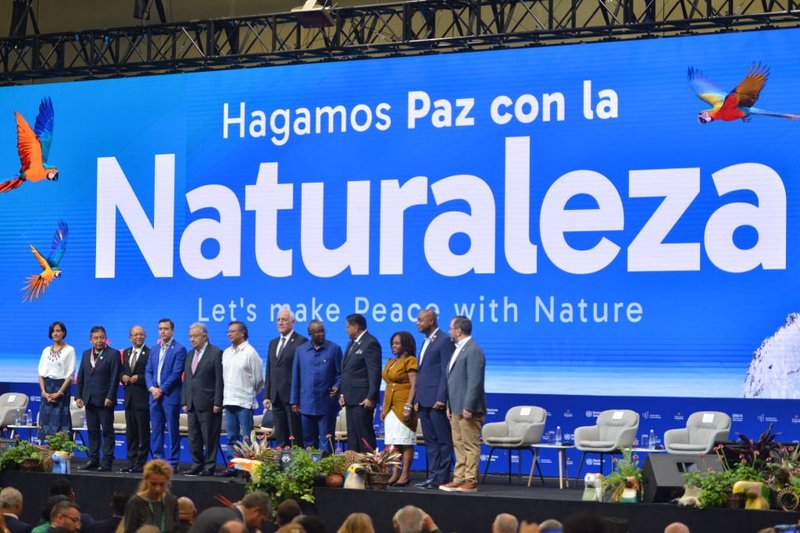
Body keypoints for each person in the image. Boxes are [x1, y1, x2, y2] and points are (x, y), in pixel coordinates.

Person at [439, 316, 486, 494]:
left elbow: (475, 381)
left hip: (468, 409)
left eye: (451, 328)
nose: (449, 331)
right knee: (458, 444)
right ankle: (459, 478)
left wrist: (469, 406)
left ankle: (470, 480)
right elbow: (454, 381)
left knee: (470, 444)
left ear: (458, 330)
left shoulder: (473, 350)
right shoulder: (458, 349)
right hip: (456, 406)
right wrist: (450, 406)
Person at [413, 310, 455, 489]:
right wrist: (416, 398)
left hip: (436, 400)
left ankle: (444, 477)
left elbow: (447, 372)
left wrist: (442, 398)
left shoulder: (444, 340)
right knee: (430, 442)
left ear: (431, 321)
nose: (417, 323)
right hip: (424, 400)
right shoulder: (425, 341)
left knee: (443, 440)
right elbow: (423, 373)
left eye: (421, 320)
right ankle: (433, 476)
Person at [291, 320, 342, 452]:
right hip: (306, 403)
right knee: (308, 441)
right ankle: (311, 471)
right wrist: (294, 401)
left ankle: (326, 471)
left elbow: (340, 374)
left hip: (327, 403)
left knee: (326, 440)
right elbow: (295, 376)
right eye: (317, 331)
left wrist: (337, 386)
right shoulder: (300, 351)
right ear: (310, 333)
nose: (321, 334)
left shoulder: (334, 349)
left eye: (323, 331)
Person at [75, 326, 120, 472]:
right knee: (92, 432)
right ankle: (93, 459)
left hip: (105, 400)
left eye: (102, 337)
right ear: (91, 340)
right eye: (96, 338)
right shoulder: (86, 354)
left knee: (107, 431)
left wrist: (110, 396)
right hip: (89, 399)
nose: (99, 340)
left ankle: (106, 461)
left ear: (106, 338)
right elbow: (81, 376)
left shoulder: (113, 354)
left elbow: (114, 378)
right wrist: (78, 396)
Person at [221, 321, 264, 475]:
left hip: (244, 402)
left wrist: (249, 392)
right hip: (229, 400)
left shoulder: (250, 352)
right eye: (228, 331)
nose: (229, 334)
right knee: (231, 436)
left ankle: (246, 469)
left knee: (246, 438)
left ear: (242, 333)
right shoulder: (226, 353)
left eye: (233, 331)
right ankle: (234, 467)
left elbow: (259, 380)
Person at [181, 323, 223, 476]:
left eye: (195, 336)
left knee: (209, 437)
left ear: (205, 337)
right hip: (192, 403)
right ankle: (197, 464)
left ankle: (209, 466)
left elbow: (219, 380)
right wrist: (184, 401)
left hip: (209, 403)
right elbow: (187, 380)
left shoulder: (216, 353)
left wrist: (218, 402)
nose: (192, 339)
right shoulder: (190, 354)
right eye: (190, 336)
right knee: (194, 438)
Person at [145, 319, 187, 472]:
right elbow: (148, 371)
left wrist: (161, 390)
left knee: (173, 430)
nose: (163, 331)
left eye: (166, 329)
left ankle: (173, 462)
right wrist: (152, 388)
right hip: (154, 395)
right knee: (156, 430)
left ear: (172, 330)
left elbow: (176, 373)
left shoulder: (179, 349)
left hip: (170, 396)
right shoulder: (154, 349)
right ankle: (158, 461)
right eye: (160, 329)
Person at [264, 309, 307, 447]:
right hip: (275, 396)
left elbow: (302, 371)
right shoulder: (273, 343)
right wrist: (267, 395)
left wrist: (299, 396)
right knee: (281, 434)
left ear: (292, 323)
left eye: (284, 320)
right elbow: (270, 369)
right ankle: (283, 462)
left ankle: (296, 465)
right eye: (278, 320)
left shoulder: (301, 341)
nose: (280, 322)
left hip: (292, 397)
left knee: (294, 434)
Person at [339, 313, 382, 452]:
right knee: (353, 437)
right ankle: (355, 469)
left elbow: (374, 373)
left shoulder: (370, 343)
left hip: (363, 399)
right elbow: (348, 371)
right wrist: (343, 394)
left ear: (355, 327)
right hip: (351, 399)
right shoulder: (351, 343)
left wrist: (371, 397)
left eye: (347, 327)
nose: (345, 330)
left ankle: (369, 469)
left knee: (364, 437)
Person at [381, 331, 418, 486]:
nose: (394, 346)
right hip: (390, 407)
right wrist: (383, 408)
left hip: (403, 406)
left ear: (406, 345)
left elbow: (414, 386)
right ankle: (394, 473)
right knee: (393, 442)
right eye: (393, 343)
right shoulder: (390, 362)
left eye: (397, 343)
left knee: (405, 441)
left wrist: (409, 406)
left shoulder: (410, 361)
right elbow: (388, 385)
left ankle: (405, 474)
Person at [38, 321, 76, 437]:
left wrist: (59, 393)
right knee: (45, 423)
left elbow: (70, 375)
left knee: (60, 423)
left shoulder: (69, 350)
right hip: (47, 389)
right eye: (53, 331)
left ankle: (61, 454)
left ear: (63, 333)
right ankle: (45, 453)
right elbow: (41, 374)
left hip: (61, 388)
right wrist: (44, 393)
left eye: (58, 331)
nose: (55, 333)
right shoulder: (46, 350)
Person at [121, 326, 151, 473]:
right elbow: (121, 371)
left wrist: (139, 378)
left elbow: (153, 375)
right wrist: (123, 377)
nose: (139, 337)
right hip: (129, 399)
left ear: (145, 336)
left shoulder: (150, 353)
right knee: (131, 433)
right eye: (135, 335)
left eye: (141, 334)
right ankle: (131, 462)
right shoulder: (126, 352)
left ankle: (141, 463)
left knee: (142, 434)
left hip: (143, 399)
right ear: (130, 337)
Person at [122, 459, 179, 533]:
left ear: (168, 481)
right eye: (153, 484)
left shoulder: (172, 501)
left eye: (162, 484)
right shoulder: (135, 502)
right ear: (146, 480)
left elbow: (176, 529)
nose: (158, 489)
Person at [188, 492, 271, 533]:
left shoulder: (216, 511)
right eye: (262, 521)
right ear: (256, 511)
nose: (259, 526)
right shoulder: (233, 524)